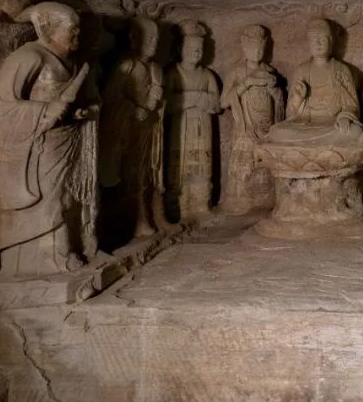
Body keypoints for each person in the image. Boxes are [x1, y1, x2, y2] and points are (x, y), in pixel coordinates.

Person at [0, 2, 98, 277]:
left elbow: (71, 104)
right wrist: (43, 111)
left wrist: (77, 113)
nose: (77, 37)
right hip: (36, 145)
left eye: (78, 31)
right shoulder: (29, 57)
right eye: (72, 31)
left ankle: (62, 252)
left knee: (65, 197)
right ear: (49, 30)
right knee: (47, 198)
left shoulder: (74, 63)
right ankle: (48, 258)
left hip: (63, 141)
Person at [100, 16, 169, 237]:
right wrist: (133, 109)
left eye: (157, 39)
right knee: (128, 174)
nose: (154, 44)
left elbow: (157, 102)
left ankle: (151, 215)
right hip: (127, 128)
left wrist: (158, 102)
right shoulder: (127, 65)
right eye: (150, 38)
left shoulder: (156, 68)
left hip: (148, 128)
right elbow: (110, 97)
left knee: (149, 173)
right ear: (135, 38)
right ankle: (130, 221)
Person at [220, 25, 284, 213]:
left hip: (267, 128)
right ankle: (240, 201)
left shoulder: (270, 71)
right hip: (245, 128)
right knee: (243, 166)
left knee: (265, 166)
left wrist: (274, 90)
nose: (257, 53)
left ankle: (265, 201)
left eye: (260, 49)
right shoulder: (237, 72)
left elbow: (279, 101)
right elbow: (223, 101)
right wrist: (246, 84)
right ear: (244, 47)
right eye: (253, 48)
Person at [164, 21, 221, 219]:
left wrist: (196, 98)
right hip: (180, 127)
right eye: (192, 48)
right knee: (178, 166)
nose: (196, 52)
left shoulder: (208, 75)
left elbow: (216, 103)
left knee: (202, 165)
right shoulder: (173, 73)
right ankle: (178, 206)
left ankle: (201, 205)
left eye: (200, 49)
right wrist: (194, 98)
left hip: (202, 127)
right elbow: (167, 103)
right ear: (181, 49)